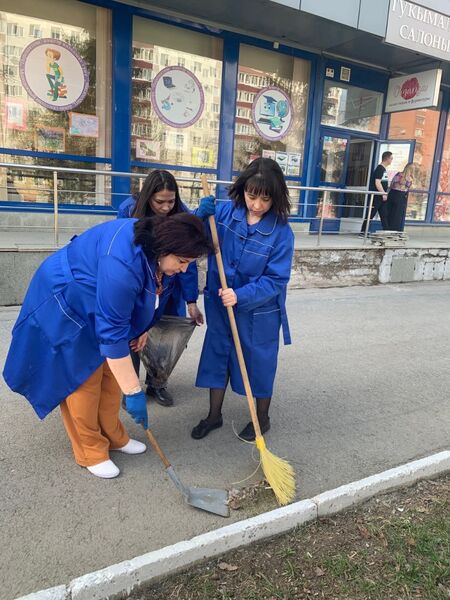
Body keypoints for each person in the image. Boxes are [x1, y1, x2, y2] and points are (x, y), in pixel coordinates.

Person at [3, 214, 211, 478]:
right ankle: (90, 449)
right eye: (181, 262)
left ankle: (113, 435)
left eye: (189, 263)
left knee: (112, 375)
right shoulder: (122, 264)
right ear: (164, 249)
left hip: (103, 300)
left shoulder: (159, 256)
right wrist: (133, 391)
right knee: (84, 378)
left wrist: (143, 328)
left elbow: (152, 295)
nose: (183, 269)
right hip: (71, 298)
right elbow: (112, 334)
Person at [191, 157, 294, 442]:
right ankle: (214, 416)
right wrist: (199, 217)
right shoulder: (224, 214)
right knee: (219, 356)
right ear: (243, 190)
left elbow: (276, 279)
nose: (257, 205)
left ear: (276, 197)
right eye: (251, 196)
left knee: (259, 364)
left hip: (258, 311)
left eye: (265, 199)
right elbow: (194, 240)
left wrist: (240, 295)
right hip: (220, 304)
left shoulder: (281, 233)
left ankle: (262, 419)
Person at [118, 170, 203, 406]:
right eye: (159, 201)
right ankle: (130, 388)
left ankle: (157, 383)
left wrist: (191, 301)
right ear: (148, 197)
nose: (166, 207)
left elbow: (187, 262)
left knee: (163, 337)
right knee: (133, 335)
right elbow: (122, 247)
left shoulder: (181, 214)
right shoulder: (129, 210)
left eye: (171, 201)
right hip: (138, 282)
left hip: (169, 286)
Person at [360, 151, 393, 235]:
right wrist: (383, 193)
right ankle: (363, 232)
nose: (392, 160)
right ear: (387, 158)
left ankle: (387, 231)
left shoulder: (383, 169)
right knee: (371, 213)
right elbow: (377, 182)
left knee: (384, 214)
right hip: (377, 196)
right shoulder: (380, 169)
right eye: (391, 158)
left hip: (381, 197)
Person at [387, 162, 413, 232]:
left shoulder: (398, 174)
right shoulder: (409, 178)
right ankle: (396, 230)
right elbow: (407, 188)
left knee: (390, 212)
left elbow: (392, 184)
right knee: (398, 215)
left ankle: (388, 229)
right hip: (401, 196)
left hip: (393, 194)